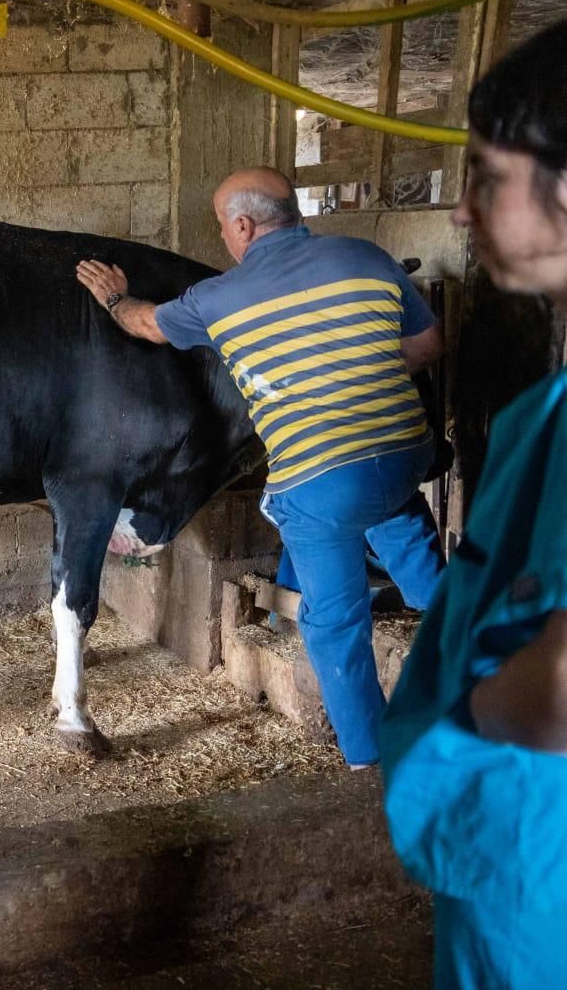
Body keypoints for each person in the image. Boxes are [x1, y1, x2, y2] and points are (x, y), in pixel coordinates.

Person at [75, 166, 446, 768]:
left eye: (222, 225)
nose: (223, 236)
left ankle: (368, 758)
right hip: (407, 452)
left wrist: (115, 296)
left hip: (322, 481)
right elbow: (430, 347)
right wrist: (359, 363)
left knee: (334, 621)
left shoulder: (218, 298)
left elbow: (145, 324)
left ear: (243, 225)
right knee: (391, 511)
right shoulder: (364, 254)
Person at [380, 21, 567, 989]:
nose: (460, 211)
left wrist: (442, 751)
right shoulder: (549, 401)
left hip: (540, 869)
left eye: (488, 177)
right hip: (513, 862)